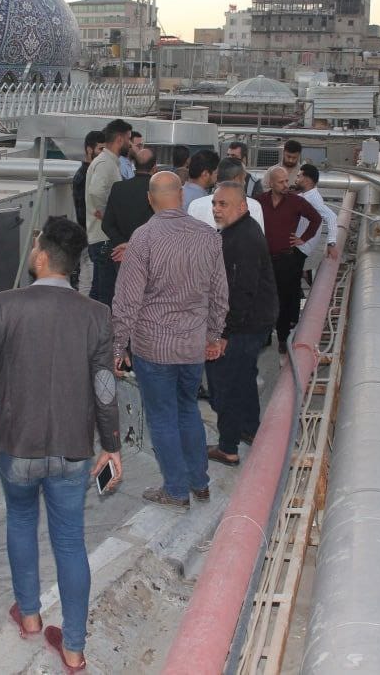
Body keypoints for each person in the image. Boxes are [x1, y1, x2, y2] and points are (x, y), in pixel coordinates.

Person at [0, 217, 122, 674]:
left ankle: (30, 617)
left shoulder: (4, 304)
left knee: (20, 520)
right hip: (73, 447)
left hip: (17, 444)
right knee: (70, 541)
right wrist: (111, 445)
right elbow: (104, 387)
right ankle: (73, 649)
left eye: (35, 245)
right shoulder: (96, 314)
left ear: (44, 256)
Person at [113, 172, 228, 508]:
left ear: (150, 199)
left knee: (162, 417)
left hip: (154, 347)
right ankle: (200, 483)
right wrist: (213, 335)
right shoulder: (209, 236)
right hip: (192, 345)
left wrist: (117, 345)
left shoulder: (144, 238)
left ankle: (176, 490)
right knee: (188, 409)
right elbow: (220, 294)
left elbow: (127, 300)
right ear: (181, 196)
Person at [207, 182, 278, 466]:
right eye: (214, 203)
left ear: (242, 206)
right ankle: (250, 429)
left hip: (244, 326)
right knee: (245, 377)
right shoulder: (238, 231)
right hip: (253, 323)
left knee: (226, 385)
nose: (216, 209)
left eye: (223, 204)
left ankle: (228, 447)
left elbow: (241, 292)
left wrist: (224, 333)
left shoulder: (243, 239)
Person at [256, 165, 322, 354]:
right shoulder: (259, 201)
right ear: (270, 183)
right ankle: (265, 336)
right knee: (264, 299)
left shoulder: (296, 201)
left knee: (284, 300)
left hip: (286, 260)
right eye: (281, 182)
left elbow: (316, 219)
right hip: (264, 261)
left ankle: (283, 338)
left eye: (287, 180)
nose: (286, 185)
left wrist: (303, 238)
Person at [85, 118, 132, 306]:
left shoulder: (108, 162)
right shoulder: (105, 163)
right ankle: (102, 325)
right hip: (104, 237)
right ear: (120, 139)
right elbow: (96, 191)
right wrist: (107, 214)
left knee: (98, 292)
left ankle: (91, 322)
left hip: (100, 237)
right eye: (128, 139)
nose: (130, 143)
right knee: (106, 295)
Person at [104, 147, 157, 263]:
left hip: (122, 255)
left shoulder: (118, 188)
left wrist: (123, 244)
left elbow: (107, 224)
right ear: (154, 168)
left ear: (134, 165)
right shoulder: (157, 190)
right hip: (151, 255)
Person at [188, 157, 265, 232]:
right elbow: (258, 238)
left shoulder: (195, 205)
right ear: (237, 179)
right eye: (244, 179)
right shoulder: (253, 206)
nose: (245, 183)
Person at [71, 130, 105, 291]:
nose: (103, 154)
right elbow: (84, 212)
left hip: (89, 236)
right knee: (90, 279)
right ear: (89, 149)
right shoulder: (85, 176)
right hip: (90, 236)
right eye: (100, 149)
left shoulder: (88, 173)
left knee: (88, 279)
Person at [294, 164, 341, 283]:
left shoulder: (313, 198)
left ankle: (304, 276)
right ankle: (305, 275)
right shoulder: (304, 195)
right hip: (297, 244)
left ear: (307, 180)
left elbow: (331, 217)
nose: (296, 179)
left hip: (300, 246)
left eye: (299, 176)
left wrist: (331, 244)